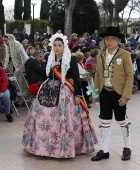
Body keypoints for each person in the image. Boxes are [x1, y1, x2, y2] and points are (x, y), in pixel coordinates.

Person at [22, 33, 98, 158]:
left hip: (66, 91)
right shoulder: (50, 58)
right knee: (43, 116)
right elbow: (46, 75)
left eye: (59, 45)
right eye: (54, 45)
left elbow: (76, 77)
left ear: (64, 46)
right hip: (48, 90)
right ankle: (43, 146)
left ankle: (66, 147)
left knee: (65, 118)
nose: (56, 48)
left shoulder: (70, 59)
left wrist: (78, 94)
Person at [91, 26, 133, 161]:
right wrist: (95, 93)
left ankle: (127, 147)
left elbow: (129, 76)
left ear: (117, 40)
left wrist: (126, 96)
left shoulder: (124, 54)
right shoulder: (101, 54)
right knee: (104, 121)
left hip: (119, 93)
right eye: (107, 39)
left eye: (111, 39)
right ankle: (104, 150)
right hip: (104, 92)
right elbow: (97, 74)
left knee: (122, 120)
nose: (108, 42)